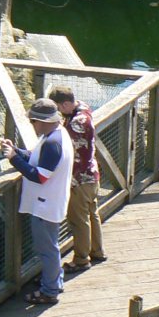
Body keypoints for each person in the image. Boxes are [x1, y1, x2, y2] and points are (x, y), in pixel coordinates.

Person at [0, 98, 73, 305]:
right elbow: (35, 157)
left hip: (45, 205)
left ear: (42, 121)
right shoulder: (57, 134)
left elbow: (39, 176)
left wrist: (14, 159)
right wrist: (16, 151)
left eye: (33, 121)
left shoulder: (52, 143)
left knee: (47, 249)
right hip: (51, 202)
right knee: (51, 246)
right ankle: (54, 282)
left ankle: (49, 292)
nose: (32, 125)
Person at [50, 85, 106, 271]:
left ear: (66, 104)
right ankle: (97, 251)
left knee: (78, 219)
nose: (57, 113)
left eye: (58, 108)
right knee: (92, 214)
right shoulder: (83, 108)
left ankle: (81, 260)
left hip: (79, 180)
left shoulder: (76, 123)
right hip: (92, 174)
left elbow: (65, 148)